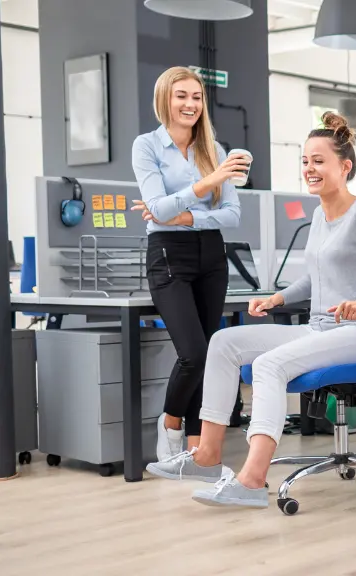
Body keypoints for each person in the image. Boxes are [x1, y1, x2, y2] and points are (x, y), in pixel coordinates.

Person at [145, 112, 356, 510]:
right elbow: (313, 280)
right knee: (223, 342)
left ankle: (252, 479)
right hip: (319, 329)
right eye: (304, 161)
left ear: (345, 166)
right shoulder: (319, 215)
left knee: (268, 365)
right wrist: (278, 298)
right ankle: (207, 457)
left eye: (318, 160)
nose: (309, 169)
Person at [131, 66, 248, 462]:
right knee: (194, 352)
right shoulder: (146, 146)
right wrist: (204, 184)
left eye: (196, 97)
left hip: (212, 254)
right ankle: (170, 424)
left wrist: (185, 215)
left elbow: (232, 214)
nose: (190, 104)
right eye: (181, 96)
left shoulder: (214, 148)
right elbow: (156, 210)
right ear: (165, 99)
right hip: (168, 256)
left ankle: (197, 448)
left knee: (211, 352)